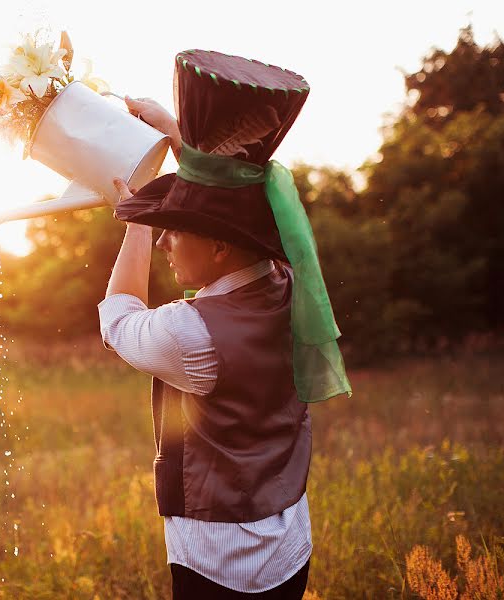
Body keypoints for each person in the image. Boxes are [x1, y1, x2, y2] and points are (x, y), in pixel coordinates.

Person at [100, 50, 351, 599]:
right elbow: (243, 187)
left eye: (175, 229)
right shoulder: (286, 284)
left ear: (218, 246)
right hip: (289, 546)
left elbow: (118, 320)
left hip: (217, 560)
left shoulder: (191, 334)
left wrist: (135, 226)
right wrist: (171, 128)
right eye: (161, 229)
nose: (166, 241)